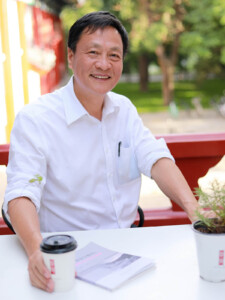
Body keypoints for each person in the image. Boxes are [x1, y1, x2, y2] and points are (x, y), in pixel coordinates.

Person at [3, 11, 199, 293]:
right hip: (67, 255)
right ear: (70, 57)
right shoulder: (36, 119)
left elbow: (154, 157)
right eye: (93, 52)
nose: (103, 64)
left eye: (114, 56)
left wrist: (196, 212)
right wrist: (37, 251)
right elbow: (21, 191)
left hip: (126, 253)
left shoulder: (124, 109)